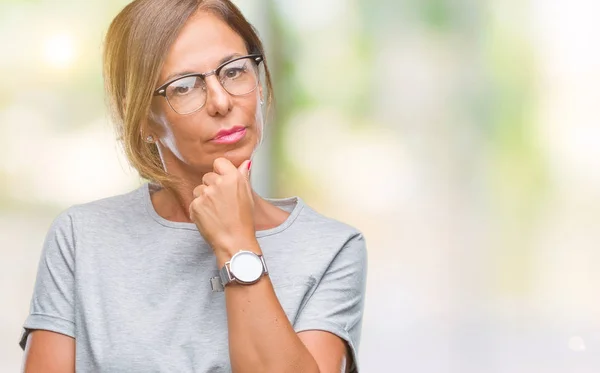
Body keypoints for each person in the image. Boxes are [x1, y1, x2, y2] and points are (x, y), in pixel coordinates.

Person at [19, 0, 368, 372]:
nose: (221, 101)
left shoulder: (333, 249)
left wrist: (237, 245)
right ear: (140, 117)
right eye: (184, 86)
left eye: (234, 71)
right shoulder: (80, 238)